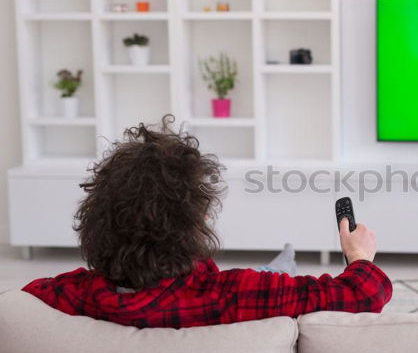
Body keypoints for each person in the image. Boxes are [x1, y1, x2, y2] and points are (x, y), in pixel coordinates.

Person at [22, 116, 392, 328]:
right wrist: (359, 257)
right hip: (237, 283)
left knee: (272, 271)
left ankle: (279, 264)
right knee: (277, 273)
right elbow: (365, 293)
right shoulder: (234, 294)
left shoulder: (63, 294)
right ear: (195, 220)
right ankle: (281, 265)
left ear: (96, 218)